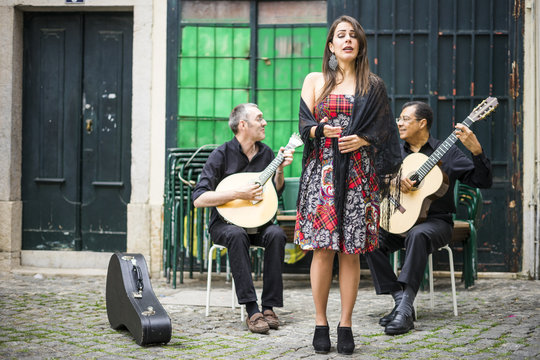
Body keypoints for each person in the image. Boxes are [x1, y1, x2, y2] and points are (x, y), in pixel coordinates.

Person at [294, 15, 402, 355]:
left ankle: (346, 325)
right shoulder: (314, 80)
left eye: (353, 35)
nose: (347, 40)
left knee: (351, 252)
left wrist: (363, 140)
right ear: (331, 45)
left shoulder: (373, 86)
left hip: (359, 176)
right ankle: (320, 323)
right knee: (323, 249)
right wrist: (319, 131)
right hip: (322, 174)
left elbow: (386, 132)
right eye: (340, 35)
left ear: (360, 45)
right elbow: (303, 126)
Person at [365, 101, 493, 335]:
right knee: (368, 237)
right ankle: (400, 301)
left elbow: (482, 181)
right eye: (399, 119)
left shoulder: (449, 153)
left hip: (436, 223)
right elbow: (372, 182)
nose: (399, 123)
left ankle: (403, 312)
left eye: (405, 119)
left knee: (418, 234)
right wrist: (393, 181)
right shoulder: (394, 152)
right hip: (399, 218)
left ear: (422, 123)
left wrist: (477, 152)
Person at [192, 103, 295, 334]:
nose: (264, 122)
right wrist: (238, 194)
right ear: (243, 125)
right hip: (226, 225)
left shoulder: (267, 153)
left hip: (259, 224)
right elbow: (198, 198)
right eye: (259, 118)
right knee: (237, 235)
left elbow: (274, 192)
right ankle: (252, 310)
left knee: (277, 234)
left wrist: (279, 169)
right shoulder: (221, 155)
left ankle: (268, 307)